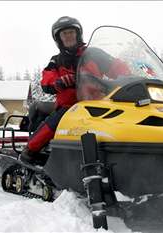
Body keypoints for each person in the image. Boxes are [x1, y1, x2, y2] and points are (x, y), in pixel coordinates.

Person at [20, 16, 130, 164]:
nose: (69, 36)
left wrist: (131, 75)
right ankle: (30, 150)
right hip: (69, 107)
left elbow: (116, 66)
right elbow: (47, 80)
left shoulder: (93, 54)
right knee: (56, 121)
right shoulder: (56, 61)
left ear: (78, 34)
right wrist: (58, 82)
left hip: (98, 104)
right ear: (59, 39)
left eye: (71, 32)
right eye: (64, 34)